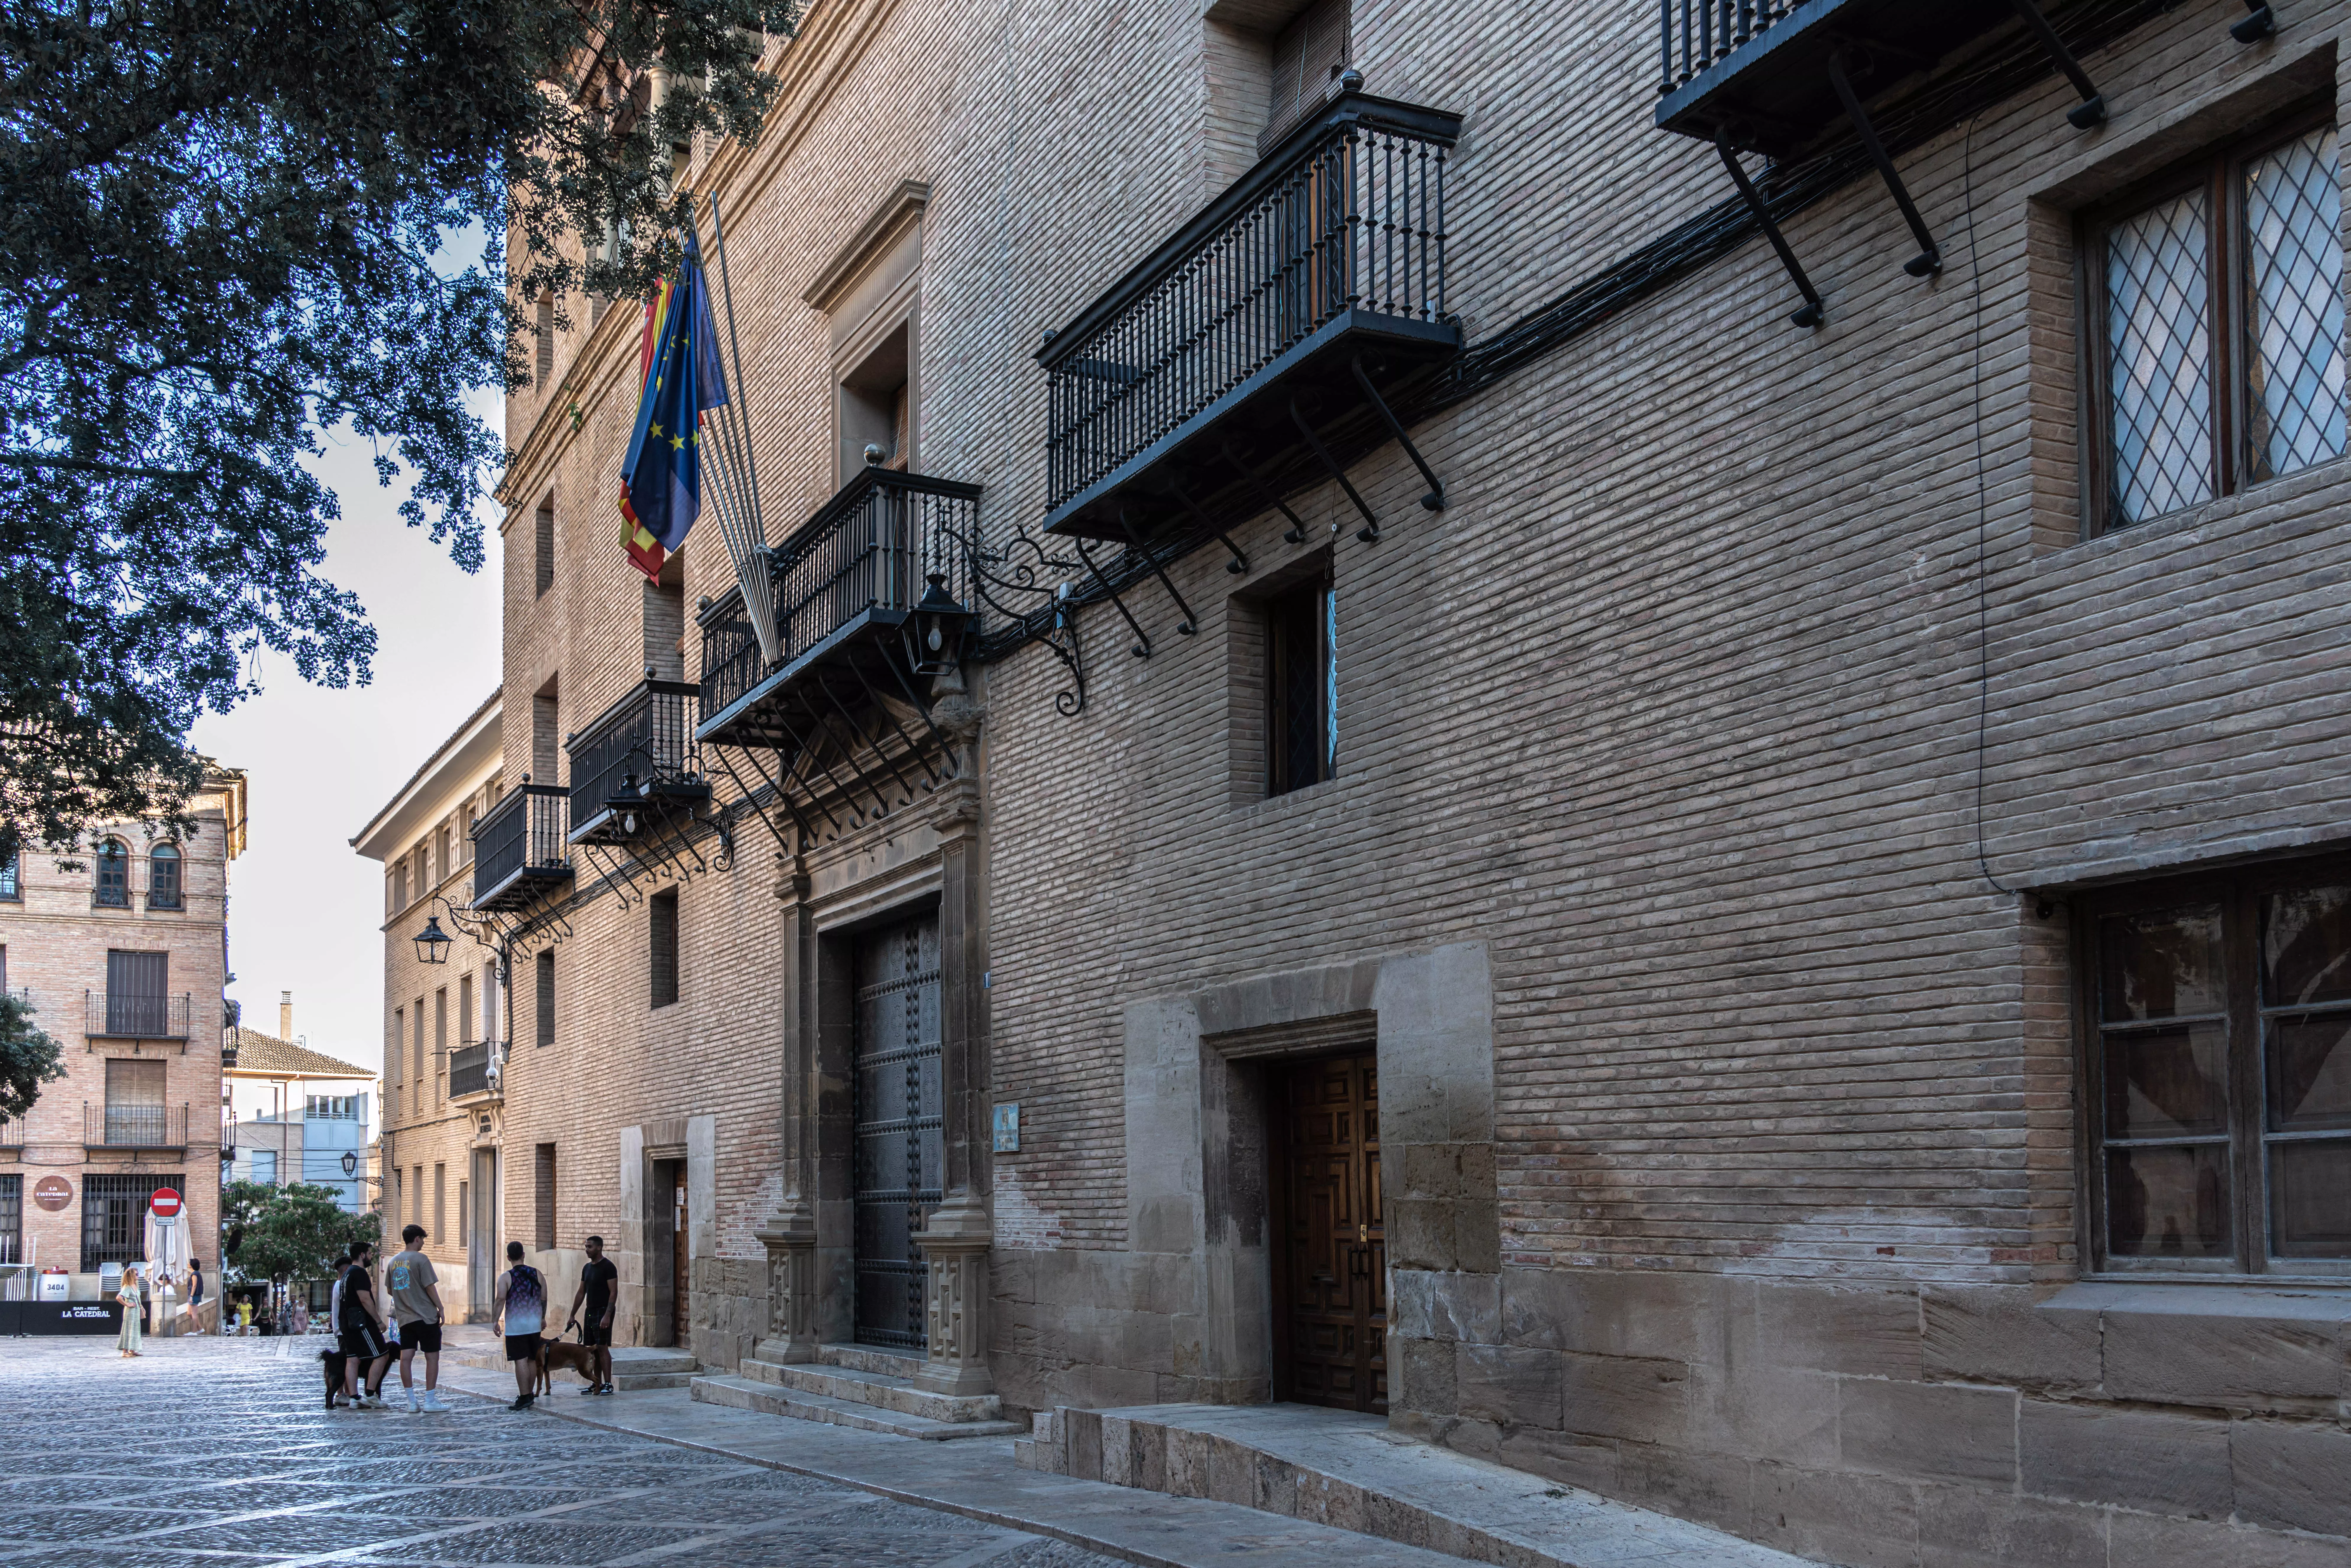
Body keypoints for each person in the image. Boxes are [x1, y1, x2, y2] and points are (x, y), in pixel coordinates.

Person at [386, 1225, 449, 1413]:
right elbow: (430, 1286)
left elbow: (391, 1289)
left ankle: (412, 1401)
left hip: (405, 1319)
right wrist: (441, 1307)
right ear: (417, 1239)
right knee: (432, 1358)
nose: (423, 1243)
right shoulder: (421, 1259)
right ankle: (430, 1400)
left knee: (406, 1358)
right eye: (423, 1239)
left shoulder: (393, 1262)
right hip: (426, 1317)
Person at [490, 1240, 547, 1412]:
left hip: (517, 1325)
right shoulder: (538, 1274)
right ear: (524, 1255)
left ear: (508, 1257)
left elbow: (501, 1299)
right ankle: (529, 1394)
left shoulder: (506, 1277)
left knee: (520, 1360)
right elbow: (544, 1299)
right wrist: (542, 1318)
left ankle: (524, 1397)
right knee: (530, 1358)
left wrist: (495, 1320)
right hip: (534, 1324)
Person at [338, 1240, 393, 1409]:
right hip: (361, 1323)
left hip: (347, 1323)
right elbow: (365, 1299)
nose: (371, 1257)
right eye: (369, 1254)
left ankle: (354, 1398)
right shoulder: (360, 1273)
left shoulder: (347, 1273)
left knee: (353, 1359)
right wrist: (378, 1321)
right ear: (362, 1255)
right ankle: (370, 1395)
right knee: (383, 1355)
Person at [565, 1235, 618, 1395]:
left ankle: (608, 1384)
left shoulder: (608, 1267)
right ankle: (597, 1384)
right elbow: (581, 1292)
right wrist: (572, 1315)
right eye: (586, 1246)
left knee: (602, 1348)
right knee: (592, 1350)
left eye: (590, 1247)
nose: (587, 1249)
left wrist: (607, 1315)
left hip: (603, 1311)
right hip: (590, 1311)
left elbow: (614, 1292)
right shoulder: (587, 1268)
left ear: (599, 1248)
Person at [116, 1265, 143, 1358]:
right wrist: (127, 1304)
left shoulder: (136, 1286)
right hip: (130, 1312)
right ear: (131, 1276)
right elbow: (119, 1297)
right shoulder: (127, 1287)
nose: (138, 1276)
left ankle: (132, 1350)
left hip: (136, 1311)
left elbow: (138, 1298)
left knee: (135, 1330)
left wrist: (142, 1308)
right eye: (136, 1274)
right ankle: (125, 1352)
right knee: (128, 1330)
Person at [187, 1257, 205, 1334]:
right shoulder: (195, 1273)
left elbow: (195, 1286)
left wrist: (191, 1296)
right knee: (189, 1313)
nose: (188, 1264)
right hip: (193, 1296)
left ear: (192, 1265)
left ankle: (194, 1332)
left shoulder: (195, 1274)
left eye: (190, 1263)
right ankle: (200, 1328)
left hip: (194, 1296)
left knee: (194, 1314)